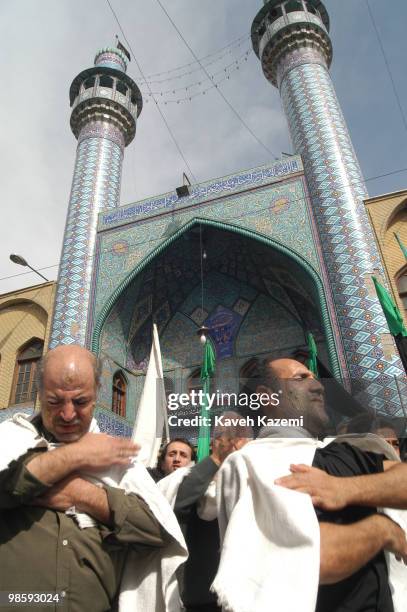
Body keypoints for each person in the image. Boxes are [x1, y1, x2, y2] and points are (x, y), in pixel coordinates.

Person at [213, 358, 407, 612]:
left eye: (314, 377)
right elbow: (301, 559)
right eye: (300, 378)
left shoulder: (345, 452)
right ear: (266, 397)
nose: (319, 386)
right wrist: (383, 530)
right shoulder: (255, 462)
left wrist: (347, 488)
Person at [0, 345, 174, 612]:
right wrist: (76, 456)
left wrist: (82, 495)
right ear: (40, 394)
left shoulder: (116, 460)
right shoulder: (10, 441)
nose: (68, 415)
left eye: (80, 402)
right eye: (55, 401)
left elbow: (156, 530)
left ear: (96, 395)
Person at [174, 413, 252, 612]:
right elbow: (180, 503)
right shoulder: (190, 477)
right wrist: (218, 458)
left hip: (241, 597)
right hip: (197, 599)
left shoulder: (254, 476)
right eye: (227, 436)